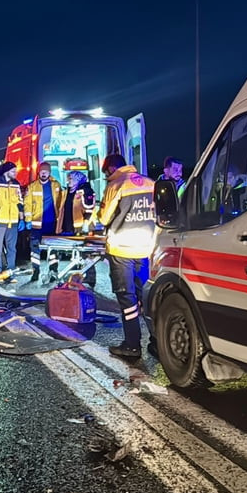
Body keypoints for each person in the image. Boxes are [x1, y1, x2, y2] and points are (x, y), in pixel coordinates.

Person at [96, 154, 156, 360]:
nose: (107, 177)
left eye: (106, 173)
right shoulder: (149, 183)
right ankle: (157, 343)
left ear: (112, 168)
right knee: (146, 297)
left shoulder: (117, 185)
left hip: (122, 249)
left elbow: (104, 218)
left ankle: (132, 345)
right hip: (146, 247)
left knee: (127, 297)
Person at [58, 158, 99, 287]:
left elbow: (89, 208)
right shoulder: (68, 191)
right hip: (70, 226)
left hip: (82, 226)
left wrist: (86, 222)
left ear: (78, 180)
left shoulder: (85, 190)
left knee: (87, 253)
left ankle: (90, 276)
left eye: (71, 179)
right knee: (77, 252)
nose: (68, 181)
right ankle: (79, 274)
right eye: (68, 179)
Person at [23, 162, 64, 284]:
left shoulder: (56, 186)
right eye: (42, 171)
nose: (44, 173)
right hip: (36, 224)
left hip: (52, 223)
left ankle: (53, 271)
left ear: (49, 172)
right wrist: (27, 220)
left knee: (53, 250)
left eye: (46, 171)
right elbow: (27, 204)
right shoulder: (32, 187)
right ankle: (35, 271)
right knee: (35, 249)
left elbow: (61, 202)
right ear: (39, 172)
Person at [0, 161, 24, 283]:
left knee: (12, 248)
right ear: (7, 171)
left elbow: (20, 202)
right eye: (13, 171)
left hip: (13, 221)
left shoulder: (16, 184)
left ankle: (10, 273)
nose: (15, 173)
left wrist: (21, 219)